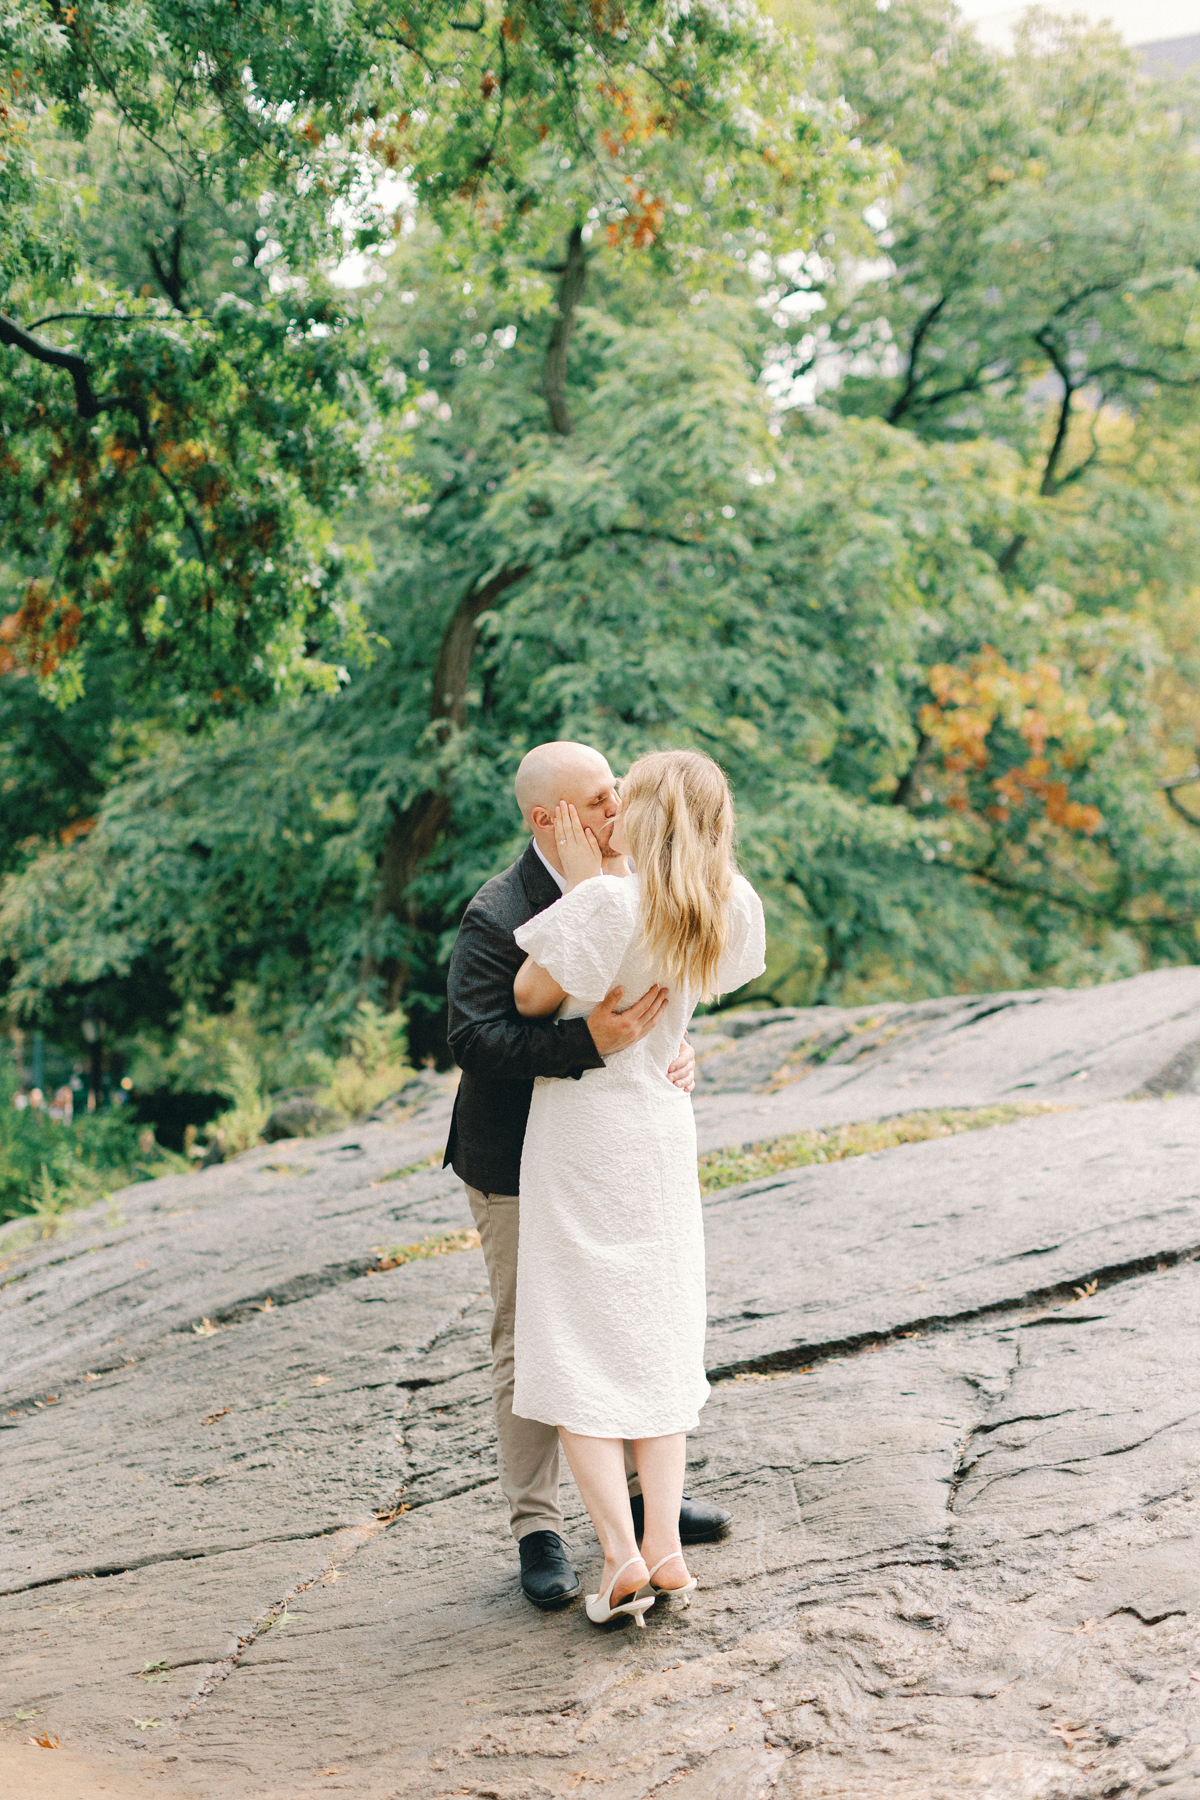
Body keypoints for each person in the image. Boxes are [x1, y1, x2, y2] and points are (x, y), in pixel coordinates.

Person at [444, 741, 731, 1611]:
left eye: (618, 793)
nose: (619, 809)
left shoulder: (636, 876)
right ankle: (537, 1527)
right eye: (600, 800)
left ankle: (648, 1507)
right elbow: (471, 1039)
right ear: (548, 819)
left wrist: (676, 1046)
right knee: (532, 1339)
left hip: (613, 1151)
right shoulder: (497, 911)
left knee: (629, 1312)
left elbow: (657, 986)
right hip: (514, 1157)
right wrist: (589, 1044)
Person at [511, 749, 766, 1625]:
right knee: (658, 1329)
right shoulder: (728, 902)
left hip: (584, 1135)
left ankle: (619, 1555)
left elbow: (530, 996)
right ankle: (665, 1545)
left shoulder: (607, 902)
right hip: (660, 1128)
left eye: (627, 796)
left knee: (574, 1339)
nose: (612, 807)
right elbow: (691, 989)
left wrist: (586, 893)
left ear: (650, 816)